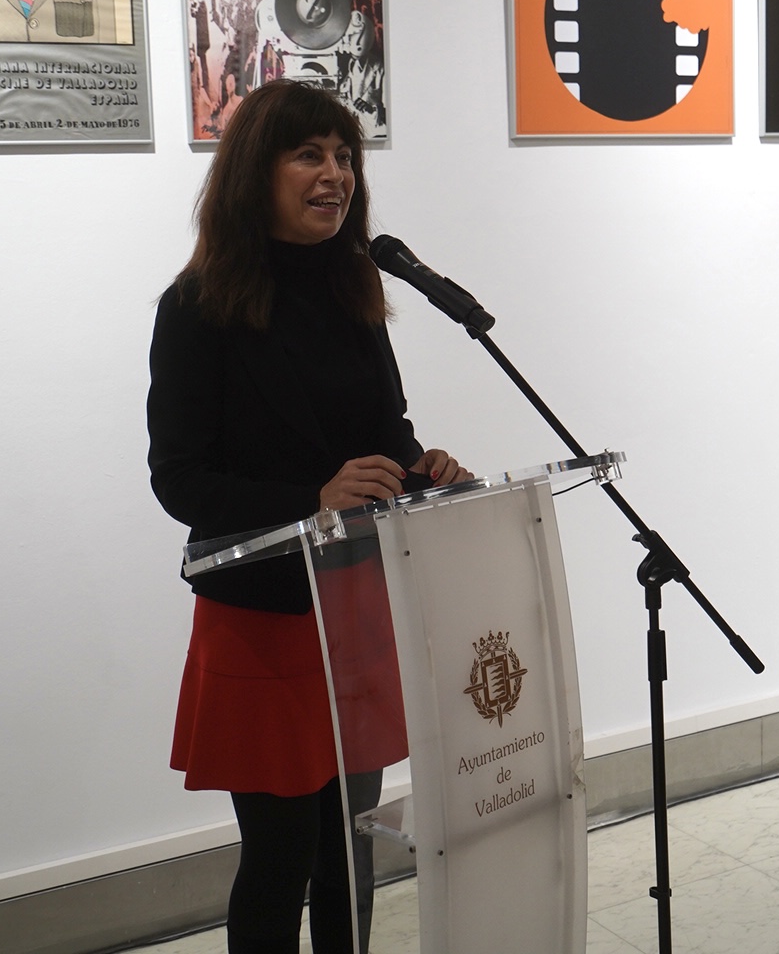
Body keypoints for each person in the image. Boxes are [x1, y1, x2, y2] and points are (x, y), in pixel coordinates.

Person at [146, 79, 470, 953]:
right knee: (281, 857)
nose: (335, 175)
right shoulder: (197, 309)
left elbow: (385, 432)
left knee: (348, 855)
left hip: (353, 604)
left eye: (344, 157)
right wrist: (310, 501)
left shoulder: (353, 290)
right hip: (264, 620)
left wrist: (422, 468)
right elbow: (180, 480)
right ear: (256, 172)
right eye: (308, 155)